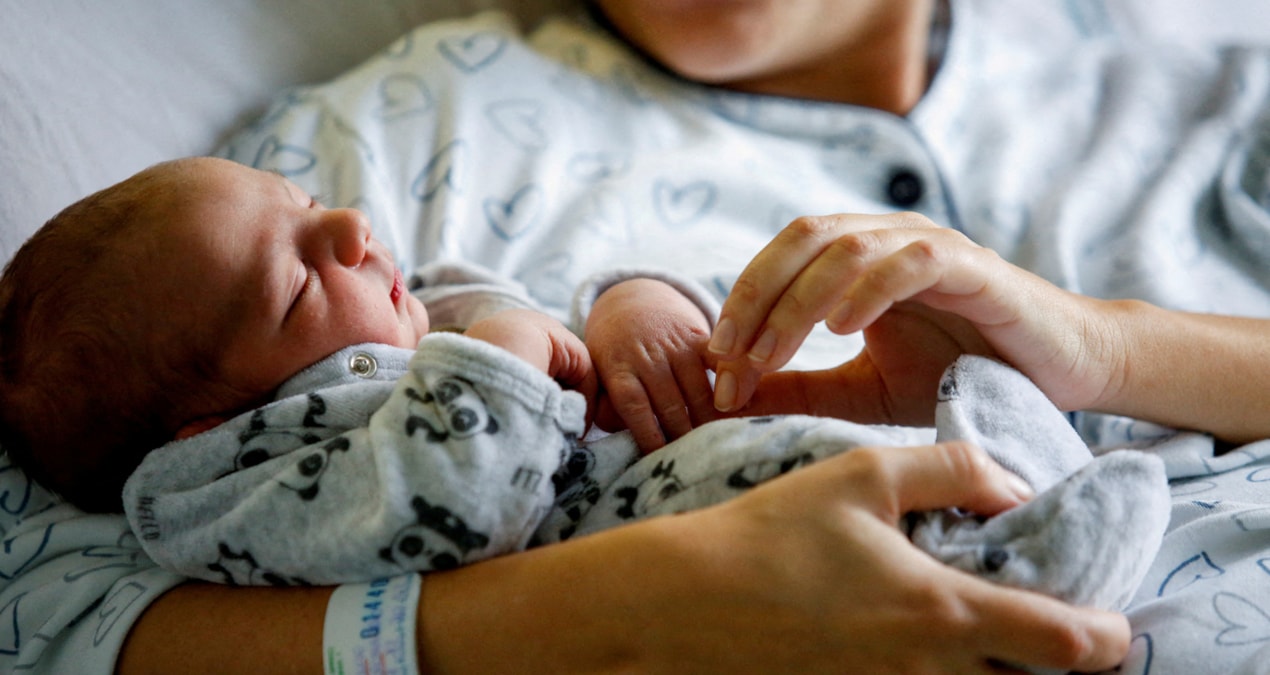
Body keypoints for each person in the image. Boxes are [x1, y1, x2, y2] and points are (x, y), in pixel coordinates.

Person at [6, 0, 1267, 672]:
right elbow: (42, 592)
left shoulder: (1211, 92)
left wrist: (1101, 350)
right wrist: (597, 613)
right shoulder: (410, 125)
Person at [0, 156, 1165, 622]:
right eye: (299, 285)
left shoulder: (425, 319)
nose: (353, 229)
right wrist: (506, 350)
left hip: (671, 453)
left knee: (874, 399)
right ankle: (1009, 556)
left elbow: (526, 299)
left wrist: (627, 308)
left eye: (308, 204)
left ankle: (1017, 457)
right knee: (788, 490)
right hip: (652, 532)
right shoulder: (223, 492)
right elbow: (447, 505)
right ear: (210, 426)